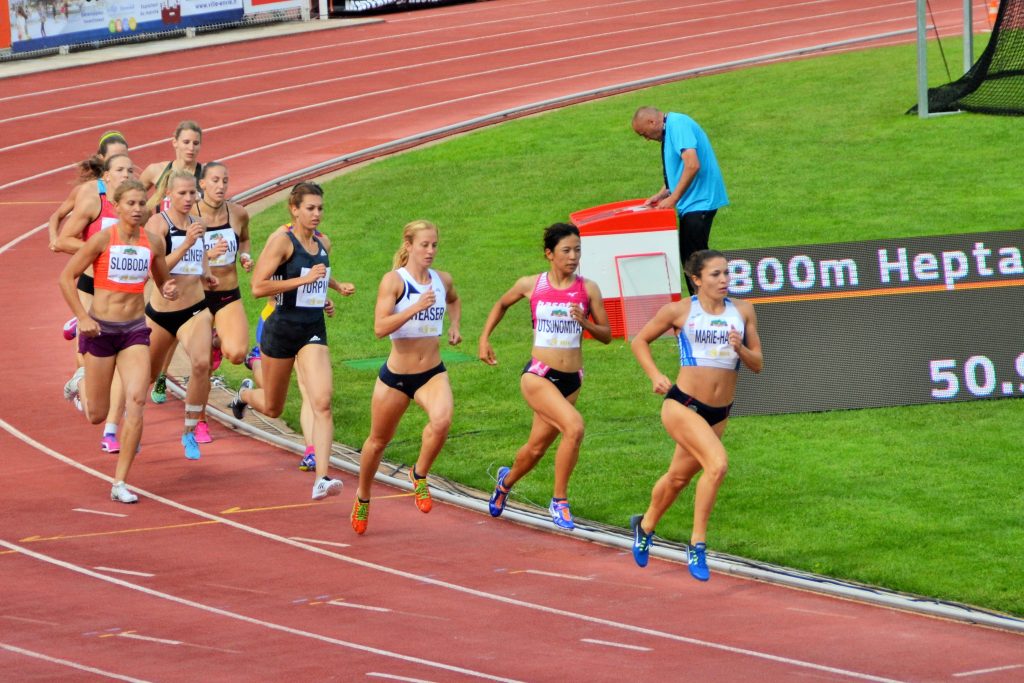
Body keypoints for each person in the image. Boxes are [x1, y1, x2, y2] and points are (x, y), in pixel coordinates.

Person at [628, 249, 763, 581]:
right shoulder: (680, 311)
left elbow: (757, 364)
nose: (724, 280)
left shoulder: (743, 311)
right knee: (717, 465)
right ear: (697, 279)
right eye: (715, 274)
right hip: (683, 405)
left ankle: (644, 526)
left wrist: (740, 348)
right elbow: (639, 340)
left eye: (726, 273)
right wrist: (655, 375)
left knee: (678, 478)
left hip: (719, 412)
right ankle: (697, 544)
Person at [479, 223, 611, 530]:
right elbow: (501, 303)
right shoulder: (532, 284)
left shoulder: (588, 289)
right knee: (575, 428)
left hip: (572, 379)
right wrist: (484, 339)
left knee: (536, 449)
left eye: (577, 250)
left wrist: (586, 324)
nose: (573, 256)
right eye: (566, 250)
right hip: (539, 374)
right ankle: (559, 501)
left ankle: (504, 483)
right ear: (549, 254)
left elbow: (607, 335)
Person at [58, 179, 178, 503]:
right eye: (132, 204)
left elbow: (163, 279)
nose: (138, 209)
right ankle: (80, 380)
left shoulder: (153, 242)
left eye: (143, 204)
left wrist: (168, 288)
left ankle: (120, 482)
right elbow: (66, 277)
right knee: (96, 414)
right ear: (118, 205)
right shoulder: (101, 240)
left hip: (134, 331)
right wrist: (82, 317)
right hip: (100, 330)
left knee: (137, 400)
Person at [228, 182, 345, 501]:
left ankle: (322, 477)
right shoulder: (282, 241)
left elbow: (316, 278)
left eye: (320, 208)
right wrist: (303, 281)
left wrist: (326, 295)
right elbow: (257, 286)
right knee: (273, 405)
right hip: (280, 329)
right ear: (294, 209)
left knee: (322, 400)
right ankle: (245, 394)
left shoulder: (323, 242)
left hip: (312, 329)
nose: (317, 214)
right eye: (310, 208)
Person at [350, 220, 462, 535]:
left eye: (434, 245)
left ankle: (419, 474)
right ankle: (363, 497)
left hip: (431, 373)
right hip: (396, 378)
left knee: (442, 421)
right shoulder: (394, 282)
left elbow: (453, 299)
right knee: (377, 442)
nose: (430, 251)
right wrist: (415, 308)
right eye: (424, 245)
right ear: (409, 245)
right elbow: (379, 327)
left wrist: (455, 326)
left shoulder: (442, 280)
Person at [56, 153, 135, 453]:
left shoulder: (138, 208)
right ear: (106, 177)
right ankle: (81, 381)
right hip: (93, 285)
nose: (127, 174)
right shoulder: (95, 202)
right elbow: (64, 239)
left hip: (126, 296)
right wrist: (99, 250)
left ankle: (114, 431)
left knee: (128, 369)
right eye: (120, 169)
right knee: (94, 405)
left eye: (130, 169)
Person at [143, 170, 223, 461]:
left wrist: (207, 274)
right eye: (183, 194)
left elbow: (199, 256)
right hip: (162, 313)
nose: (189, 199)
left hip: (195, 309)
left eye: (193, 193)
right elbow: (157, 265)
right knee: (147, 377)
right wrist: (187, 243)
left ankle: (189, 430)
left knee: (202, 363)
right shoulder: (157, 224)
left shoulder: (197, 224)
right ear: (169, 195)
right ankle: (131, 427)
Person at [632, 106, 728, 296]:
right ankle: (702, 302)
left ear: (652, 122)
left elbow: (692, 165)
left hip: (699, 202)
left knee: (695, 261)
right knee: (692, 259)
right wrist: (663, 193)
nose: (647, 139)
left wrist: (674, 198)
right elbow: (678, 170)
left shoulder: (678, 125)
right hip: (694, 203)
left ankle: (706, 305)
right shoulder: (671, 129)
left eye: (644, 133)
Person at [190, 161, 253, 443]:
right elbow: (176, 254)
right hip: (197, 297)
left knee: (238, 353)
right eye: (214, 180)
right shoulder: (189, 214)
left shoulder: (238, 213)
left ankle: (217, 342)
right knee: (199, 365)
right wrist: (207, 253)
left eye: (225, 180)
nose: (220, 186)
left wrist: (244, 256)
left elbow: (246, 239)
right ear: (202, 184)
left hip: (228, 293)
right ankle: (200, 420)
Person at [140, 120, 203, 403]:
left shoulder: (202, 175)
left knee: (182, 306)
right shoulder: (157, 170)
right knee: (156, 307)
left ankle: (163, 373)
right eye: (186, 142)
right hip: (157, 249)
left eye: (195, 142)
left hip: (187, 258)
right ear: (174, 142)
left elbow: (215, 207)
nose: (191, 148)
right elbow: (132, 196)